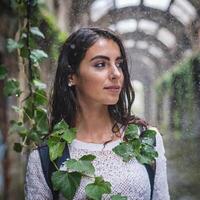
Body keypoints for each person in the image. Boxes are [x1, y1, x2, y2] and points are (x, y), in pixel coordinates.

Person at [25, 27, 170, 200]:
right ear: (72, 76)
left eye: (119, 64)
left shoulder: (147, 139)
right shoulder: (45, 158)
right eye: (100, 64)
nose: (116, 74)